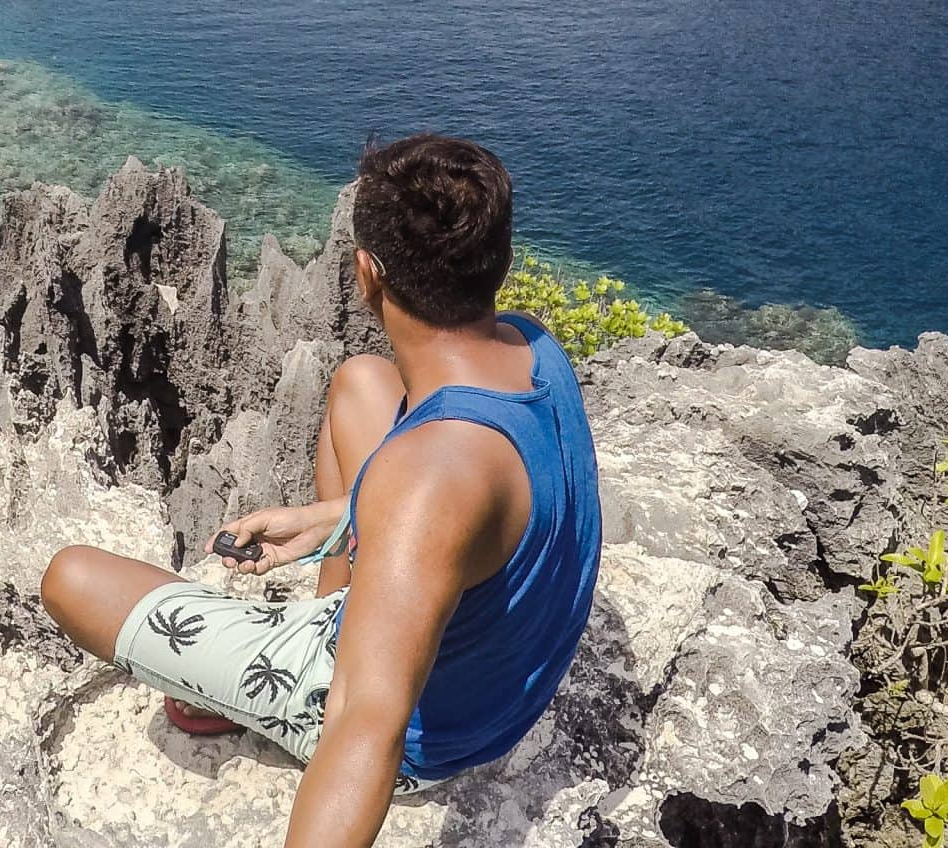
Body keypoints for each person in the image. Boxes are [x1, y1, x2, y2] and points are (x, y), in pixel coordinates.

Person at [40, 136, 602, 848]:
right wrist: (335, 520)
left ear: (366, 273)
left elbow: (366, 726)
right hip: (498, 671)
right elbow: (481, 507)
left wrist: (336, 699)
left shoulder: (427, 480)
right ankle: (335, 603)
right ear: (500, 261)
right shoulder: (533, 347)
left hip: (439, 736)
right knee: (359, 382)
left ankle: (269, 697)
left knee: (71, 578)